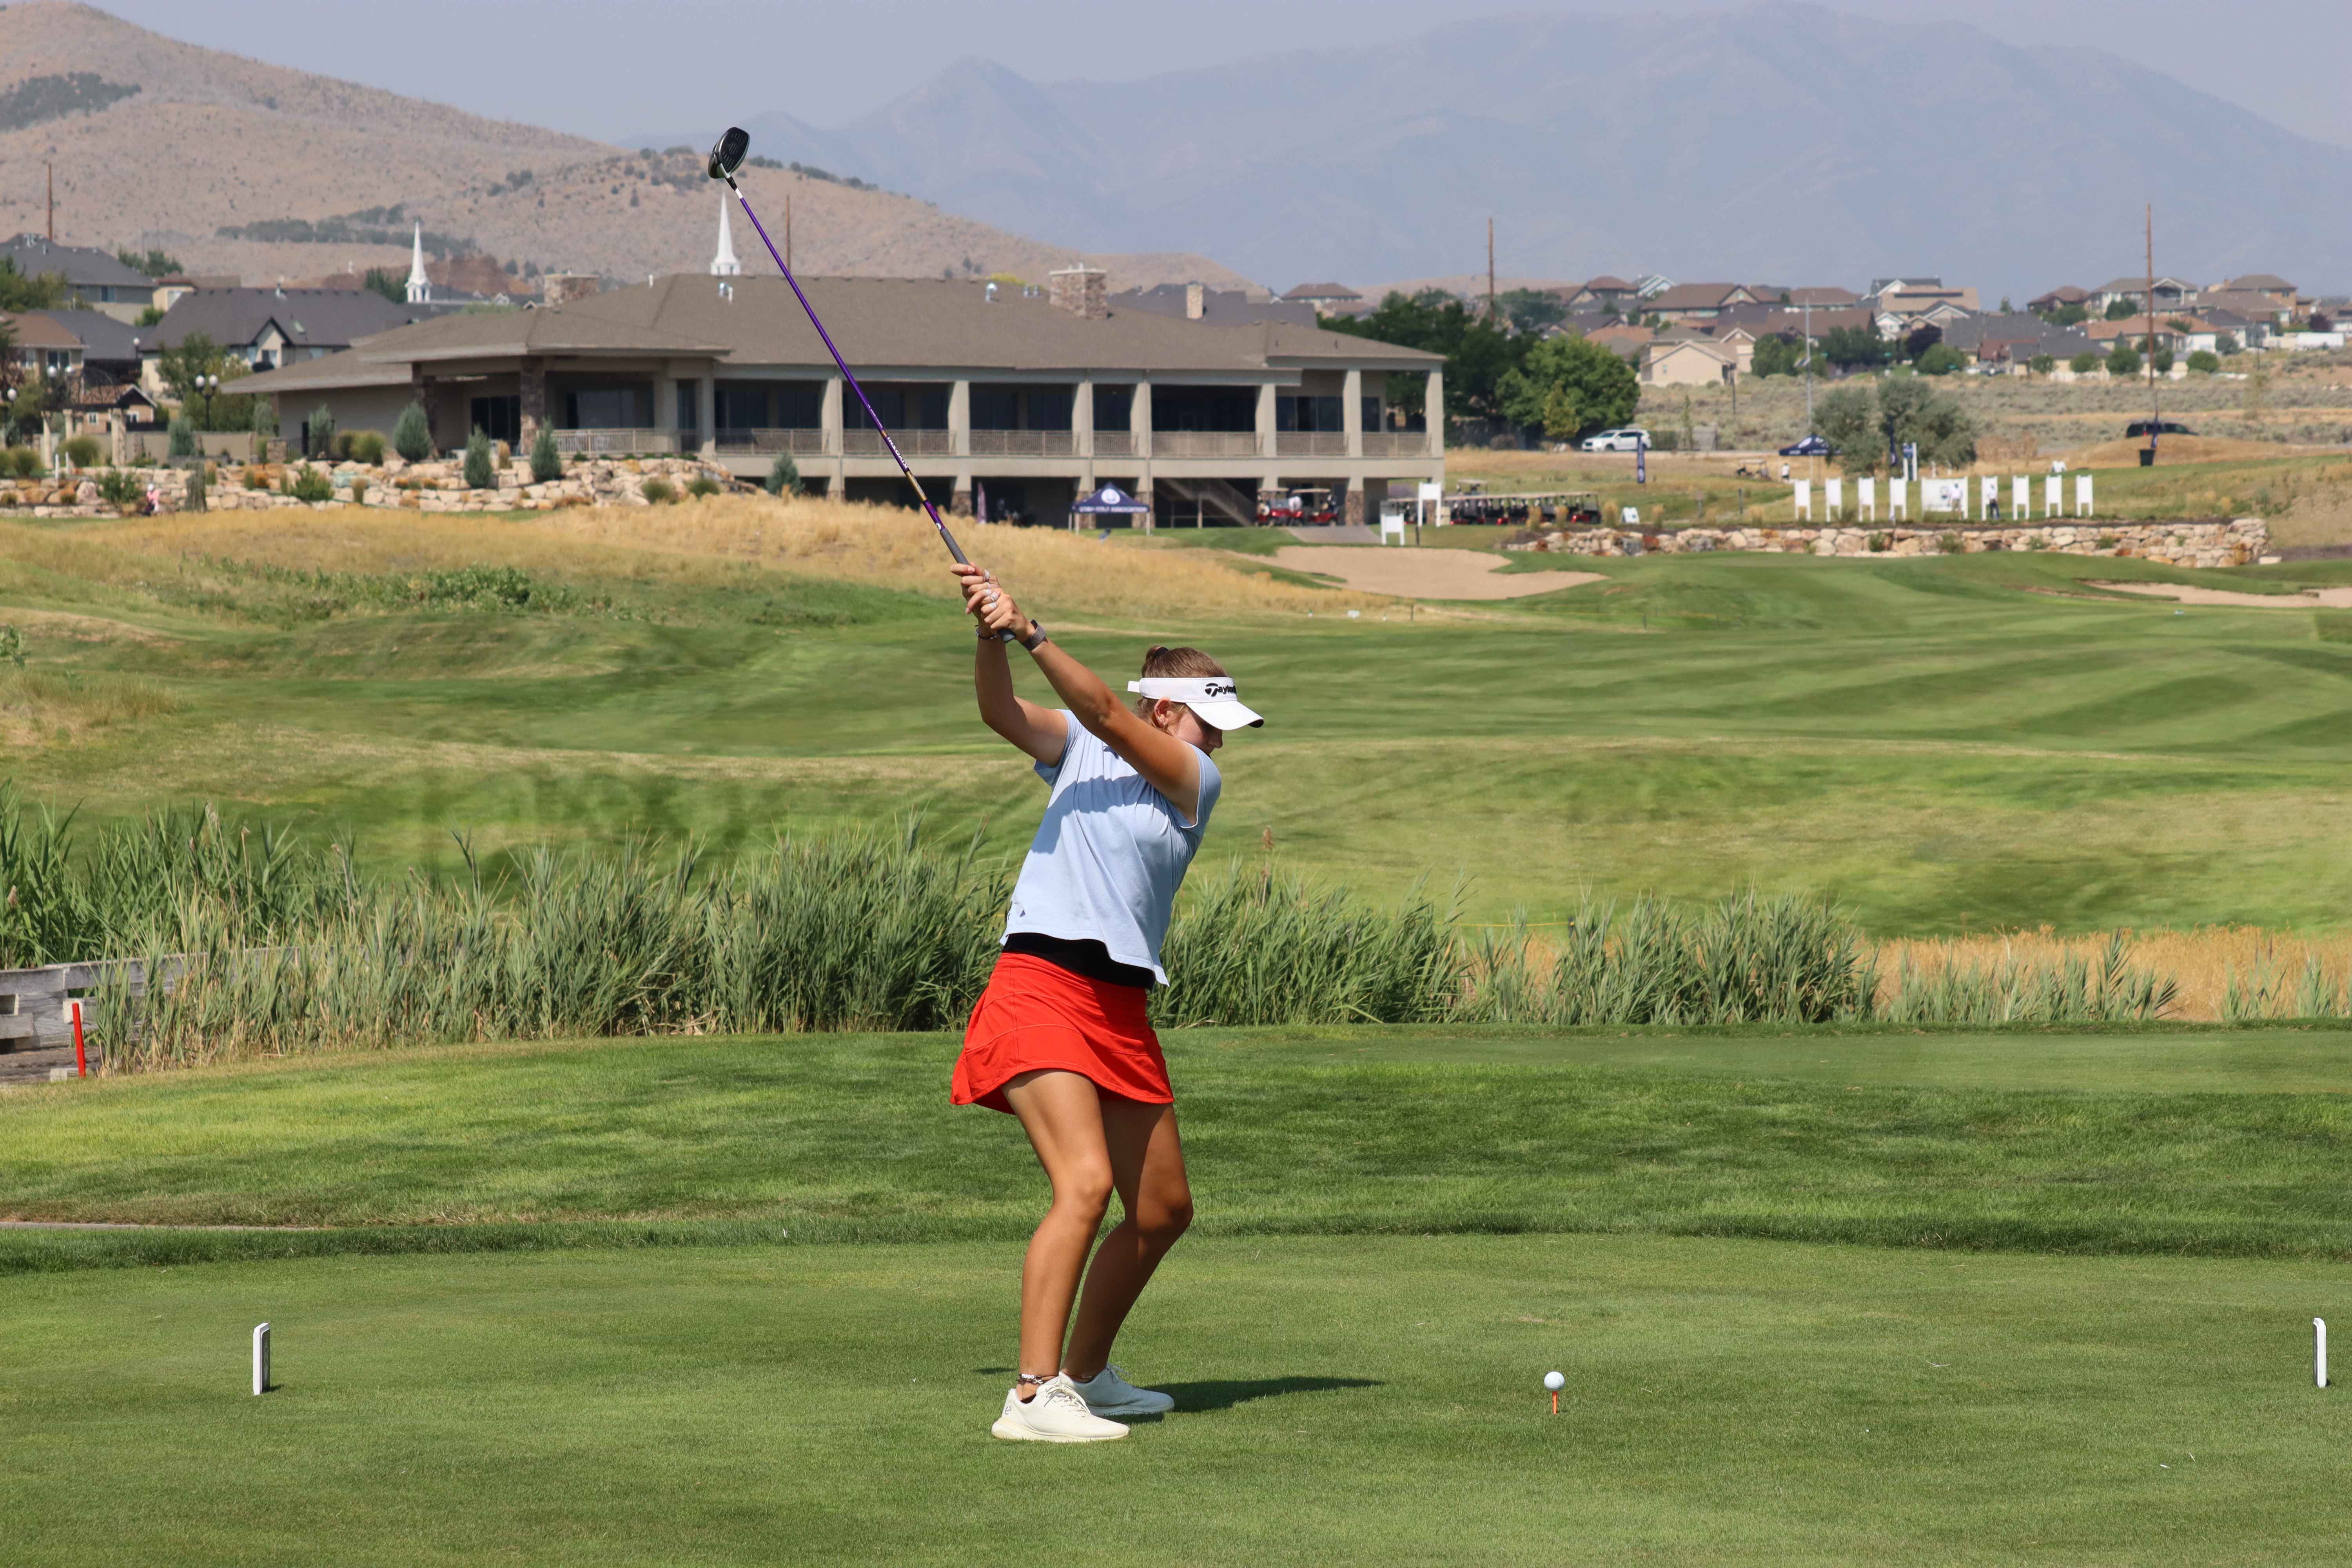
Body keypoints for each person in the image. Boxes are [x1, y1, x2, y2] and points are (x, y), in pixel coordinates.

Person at [949, 558, 1262, 1443]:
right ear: (1172, 708)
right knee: (1084, 1185)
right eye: (1213, 721)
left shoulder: (1193, 780)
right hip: (1042, 983)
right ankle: (1031, 1394)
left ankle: (1084, 1373)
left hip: (1120, 1005)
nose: (1223, 741)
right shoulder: (1087, 749)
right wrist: (993, 635)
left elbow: (1106, 714)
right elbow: (1001, 714)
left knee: (1163, 1208)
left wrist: (1031, 626)